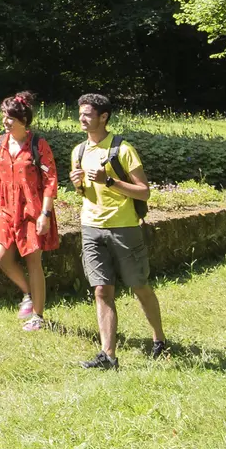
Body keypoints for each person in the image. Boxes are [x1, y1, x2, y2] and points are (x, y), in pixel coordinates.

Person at [69, 92, 166, 368]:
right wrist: (77, 183)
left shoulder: (122, 149)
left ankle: (159, 338)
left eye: (88, 114)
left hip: (124, 229)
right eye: (81, 113)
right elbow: (85, 192)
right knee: (101, 290)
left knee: (139, 286)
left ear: (104, 117)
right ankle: (108, 356)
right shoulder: (78, 151)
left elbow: (144, 193)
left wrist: (109, 180)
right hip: (91, 227)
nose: (82, 118)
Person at [0, 90, 59, 332]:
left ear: (23, 120)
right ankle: (27, 292)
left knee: (33, 261)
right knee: (1, 256)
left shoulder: (38, 145)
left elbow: (50, 181)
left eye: (10, 117)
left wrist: (45, 214)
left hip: (31, 209)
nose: (5, 121)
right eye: (4, 115)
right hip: (4, 207)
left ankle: (38, 315)